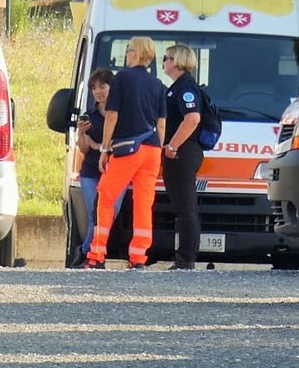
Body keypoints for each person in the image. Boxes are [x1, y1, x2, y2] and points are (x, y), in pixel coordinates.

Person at [85, 36, 166, 270]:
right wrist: (158, 151)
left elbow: (112, 115)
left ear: (136, 53)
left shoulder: (122, 78)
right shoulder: (157, 84)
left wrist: (104, 148)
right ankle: (139, 257)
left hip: (127, 148)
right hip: (152, 149)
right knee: (143, 202)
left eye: (128, 49)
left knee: (105, 196)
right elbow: (161, 123)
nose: (126, 53)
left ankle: (97, 254)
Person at [69, 68, 125, 269]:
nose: (98, 92)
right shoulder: (88, 115)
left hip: (116, 169)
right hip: (91, 172)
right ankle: (95, 255)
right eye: (94, 88)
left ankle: (85, 250)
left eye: (102, 86)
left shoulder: (121, 114)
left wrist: (98, 145)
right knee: (96, 213)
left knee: (110, 213)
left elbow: (116, 143)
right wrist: (83, 136)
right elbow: (83, 148)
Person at [161, 44, 205, 270]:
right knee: (184, 206)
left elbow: (193, 118)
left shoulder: (185, 87)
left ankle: (185, 258)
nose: (163, 62)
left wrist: (172, 146)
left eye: (166, 58)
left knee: (185, 208)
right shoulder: (178, 87)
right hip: (183, 150)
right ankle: (185, 257)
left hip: (183, 151)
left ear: (176, 61)